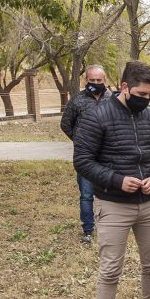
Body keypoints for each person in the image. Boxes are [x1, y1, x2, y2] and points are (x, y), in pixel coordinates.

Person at [74, 60, 150, 299]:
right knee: (111, 269)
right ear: (125, 87)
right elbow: (83, 161)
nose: (146, 100)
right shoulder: (97, 116)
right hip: (114, 204)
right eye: (141, 94)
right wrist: (118, 180)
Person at [61, 65, 110, 243]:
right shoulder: (77, 100)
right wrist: (80, 141)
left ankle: (111, 226)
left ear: (105, 80)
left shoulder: (113, 100)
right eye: (92, 80)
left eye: (99, 80)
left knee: (110, 194)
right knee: (87, 195)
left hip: (108, 156)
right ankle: (88, 230)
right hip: (86, 157)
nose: (96, 83)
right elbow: (66, 124)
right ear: (86, 80)